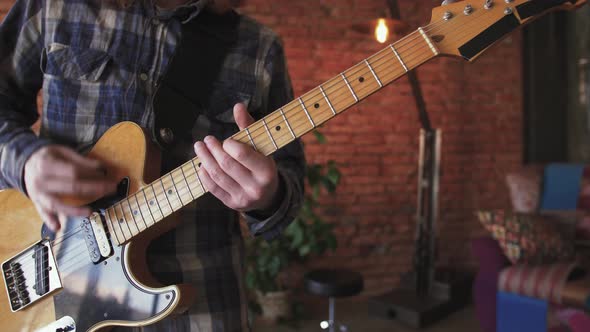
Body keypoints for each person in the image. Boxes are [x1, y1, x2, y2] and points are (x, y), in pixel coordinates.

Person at [0, 0, 305, 330]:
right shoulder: (55, 5)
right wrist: (26, 162)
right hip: (49, 280)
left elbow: (289, 184)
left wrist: (267, 196)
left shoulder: (259, 47)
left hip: (202, 300)